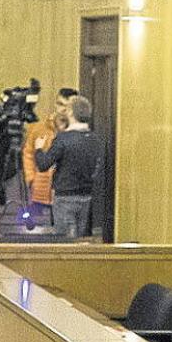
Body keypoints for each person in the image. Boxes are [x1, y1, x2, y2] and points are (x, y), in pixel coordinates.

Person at [34, 95, 103, 238]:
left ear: (71, 113)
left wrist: (39, 149)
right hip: (87, 196)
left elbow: (43, 165)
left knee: (65, 242)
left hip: (65, 197)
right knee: (80, 241)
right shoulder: (96, 140)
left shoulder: (63, 139)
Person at [22, 87, 76, 221]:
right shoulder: (39, 128)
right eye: (60, 104)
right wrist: (31, 179)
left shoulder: (75, 132)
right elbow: (28, 154)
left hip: (65, 193)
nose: (62, 109)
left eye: (67, 106)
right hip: (40, 190)